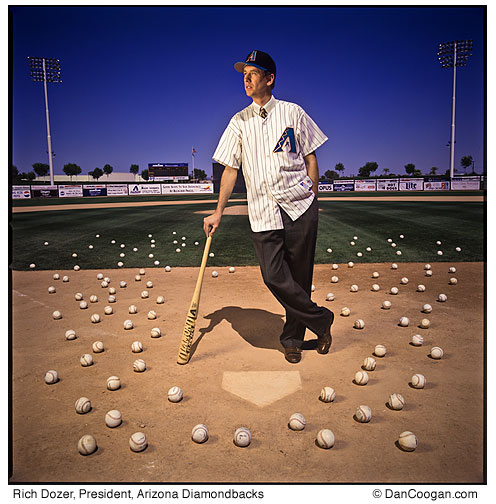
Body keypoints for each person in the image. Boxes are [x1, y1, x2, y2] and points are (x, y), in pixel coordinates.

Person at [203, 50, 334, 363]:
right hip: (263, 211)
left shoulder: (293, 112)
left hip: (299, 206)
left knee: (300, 277)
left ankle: (292, 339)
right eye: (244, 74)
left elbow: (310, 157)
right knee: (274, 275)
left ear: (270, 78)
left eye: (253, 73)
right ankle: (321, 319)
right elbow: (230, 170)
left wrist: (312, 195)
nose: (246, 79)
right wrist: (218, 210)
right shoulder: (238, 122)